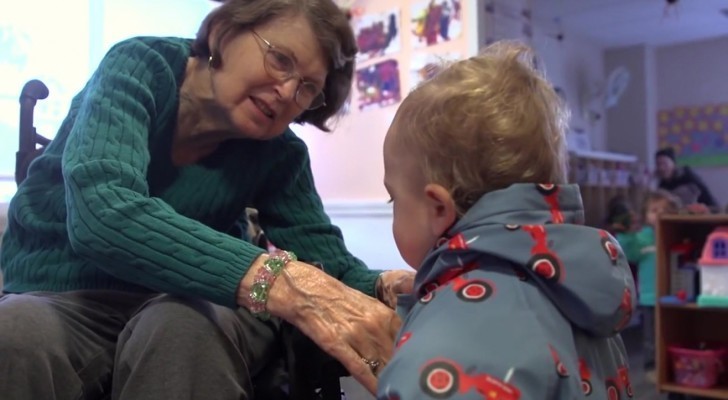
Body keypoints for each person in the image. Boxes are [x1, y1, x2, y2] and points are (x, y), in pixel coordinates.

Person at [0, 1, 415, 399]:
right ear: (224, 32)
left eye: (308, 88)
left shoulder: (280, 153)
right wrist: (273, 277)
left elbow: (328, 264)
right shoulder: (141, 66)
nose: (288, 91)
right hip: (65, 296)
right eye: (281, 60)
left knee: (183, 326)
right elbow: (102, 211)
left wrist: (386, 285)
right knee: (17, 332)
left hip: (188, 299)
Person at [376, 41, 636, 399]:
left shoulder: (452, 344)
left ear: (438, 208)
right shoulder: (581, 294)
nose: (393, 206)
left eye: (394, 198)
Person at [617, 189, 681, 379]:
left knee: (672, 332)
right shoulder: (643, 237)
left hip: (674, 296)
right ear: (646, 215)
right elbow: (629, 253)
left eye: (664, 209)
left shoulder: (676, 233)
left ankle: (672, 364)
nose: (659, 213)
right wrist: (626, 235)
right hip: (650, 296)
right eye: (654, 210)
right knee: (651, 336)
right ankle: (651, 365)